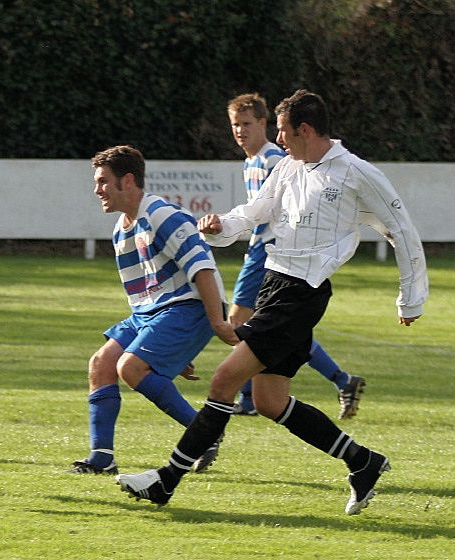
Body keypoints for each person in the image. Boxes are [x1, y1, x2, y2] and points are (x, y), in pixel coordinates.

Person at [115, 90, 428, 515]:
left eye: (281, 131)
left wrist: (410, 299)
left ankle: (164, 483)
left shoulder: (357, 173)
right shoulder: (288, 167)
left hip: (301, 295)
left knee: (224, 381)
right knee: (268, 401)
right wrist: (221, 225)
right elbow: (255, 210)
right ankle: (363, 462)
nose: (278, 140)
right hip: (274, 285)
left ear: (304, 129)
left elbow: (403, 231)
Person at [67, 145, 238, 475]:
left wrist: (216, 321)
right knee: (102, 364)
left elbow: (202, 269)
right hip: (152, 314)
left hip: (189, 308)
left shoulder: (162, 216)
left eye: (103, 181)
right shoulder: (121, 230)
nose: (97, 189)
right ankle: (102, 459)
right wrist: (168, 350)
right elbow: (142, 296)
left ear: (127, 181)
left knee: (129, 367)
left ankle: (204, 434)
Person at [226, 93, 364, 419]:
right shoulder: (253, 160)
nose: (240, 131)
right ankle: (342, 380)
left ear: (264, 123)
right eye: (235, 125)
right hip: (265, 252)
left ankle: (247, 398)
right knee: (283, 330)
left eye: (247, 124)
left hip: (270, 253)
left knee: (240, 323)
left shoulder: (275, 158)